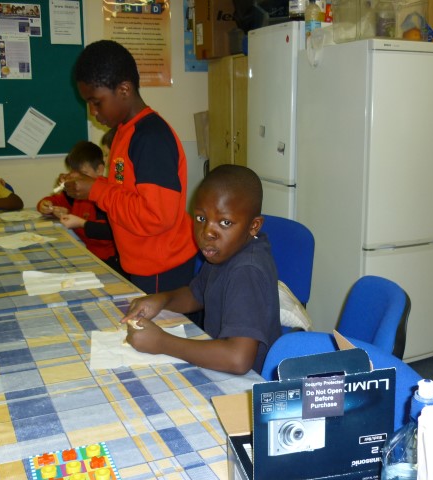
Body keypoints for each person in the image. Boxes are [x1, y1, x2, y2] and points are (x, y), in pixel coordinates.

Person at [62, 40, 198, 294]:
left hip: (162, 266)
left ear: (124, 89)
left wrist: (96, 190)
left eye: (96, 102)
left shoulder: (150, 138)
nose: (91, 112)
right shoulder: (124, 132)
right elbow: (125, 191)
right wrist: (91, 184)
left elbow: (156, 216)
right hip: (143, 261)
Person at [122, 165, 281, 375]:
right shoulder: (225, 251)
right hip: (217, 361)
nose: (207, 233)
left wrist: (162, 342)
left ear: (254, 226)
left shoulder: (246, 271)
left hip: (246, 381)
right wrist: (162, 300)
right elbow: (197, 294)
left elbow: (238, 359)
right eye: (201, 219)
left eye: (225, 222)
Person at [37, 140, 124, 276]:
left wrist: (81, 223)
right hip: (85, 250)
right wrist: (46, 205)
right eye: (75, 174)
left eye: (84, 173)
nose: (79, 179)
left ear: (99, 170)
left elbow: (109, 232)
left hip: (108, 260)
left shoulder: (106, 195)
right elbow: (55, 200)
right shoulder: (76, 192)